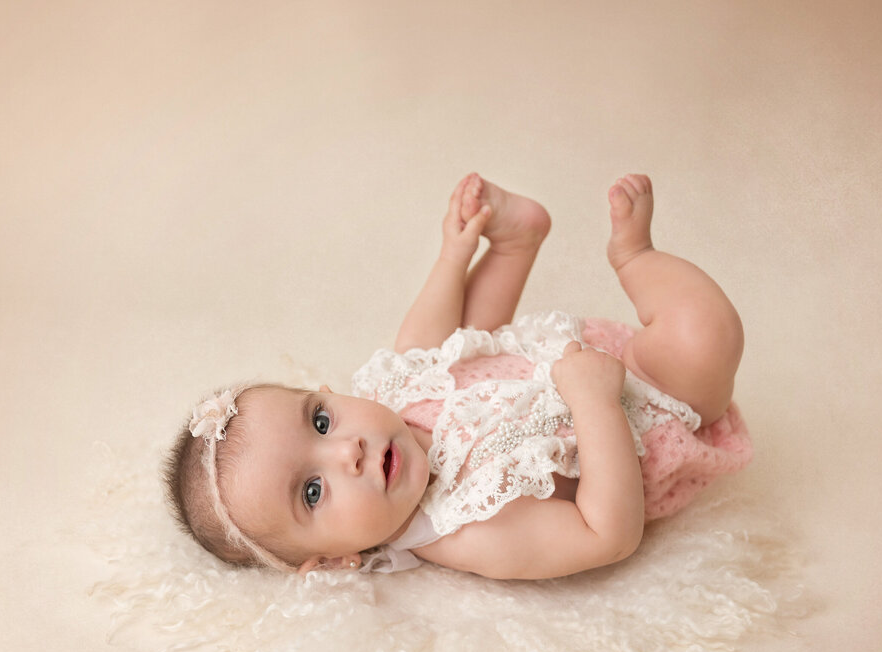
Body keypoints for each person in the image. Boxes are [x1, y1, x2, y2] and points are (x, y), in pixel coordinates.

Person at [166, 173, 752, 579]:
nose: (347, 451)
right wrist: (598, 403)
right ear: (332, 561)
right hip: (647, 409)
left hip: (568, 353)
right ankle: (635, 255)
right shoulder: (465, 530)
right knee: (708, 333)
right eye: (312, 492)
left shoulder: (389, 397)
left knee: (455, 345)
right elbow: (607, 535)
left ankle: (516, 242)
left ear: (329, 395)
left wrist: (455, 254)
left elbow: (441, 333)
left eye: (321, 422)